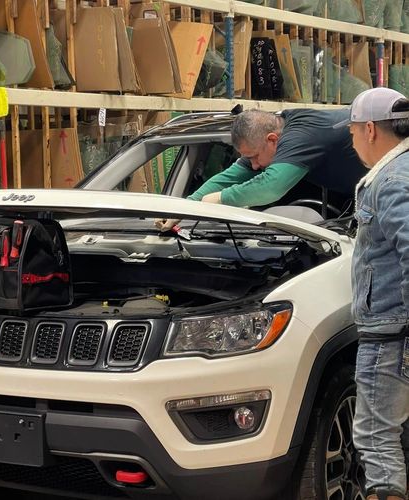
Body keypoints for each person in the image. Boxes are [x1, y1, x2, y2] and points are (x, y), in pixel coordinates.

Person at [345, 87, 409, 500]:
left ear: (370, 129)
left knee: (375, 439)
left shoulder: (391, 182)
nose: (351, 142)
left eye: (351, 133)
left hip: (390, 333)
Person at [156, 107, 366, 231]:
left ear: (272, 140)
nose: (254, 165)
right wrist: (186, 208)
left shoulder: (302, 135)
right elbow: (229, 177)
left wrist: (221, 198)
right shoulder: (267, 139)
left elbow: (271, 187)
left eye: (254, 157)